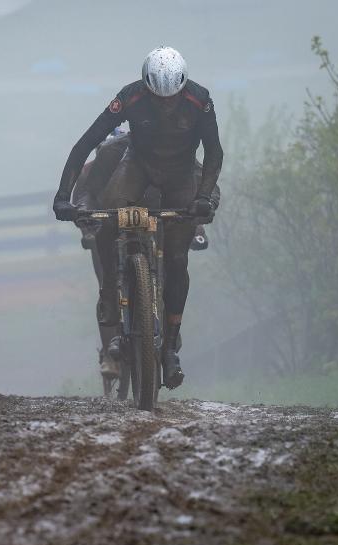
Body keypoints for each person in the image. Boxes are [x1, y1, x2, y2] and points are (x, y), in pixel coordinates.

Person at [53, 47, 224, 388]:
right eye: (157, 99)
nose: (165, 105)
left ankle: (171, 346)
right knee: (108, 220)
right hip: (139, 165)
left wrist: (204, 197)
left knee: (177, 260)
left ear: (183, 88)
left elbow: (214, 151)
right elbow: (86, 142)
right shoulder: (129, 97)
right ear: (145, 88)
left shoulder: (200, 100)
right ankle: (113, 299)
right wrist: (62, 195)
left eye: (171, 99)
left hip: (179, 174)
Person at [71, 129, 221, 378]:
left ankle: (167, 320)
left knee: (171, 267)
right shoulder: (98, 165)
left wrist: (199, 221)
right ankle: (112, 341)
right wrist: (87, 224)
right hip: (112, 228)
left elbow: (196, 186)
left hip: (155, 223)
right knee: (108, 279)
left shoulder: (167, 154)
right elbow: (82, 199)